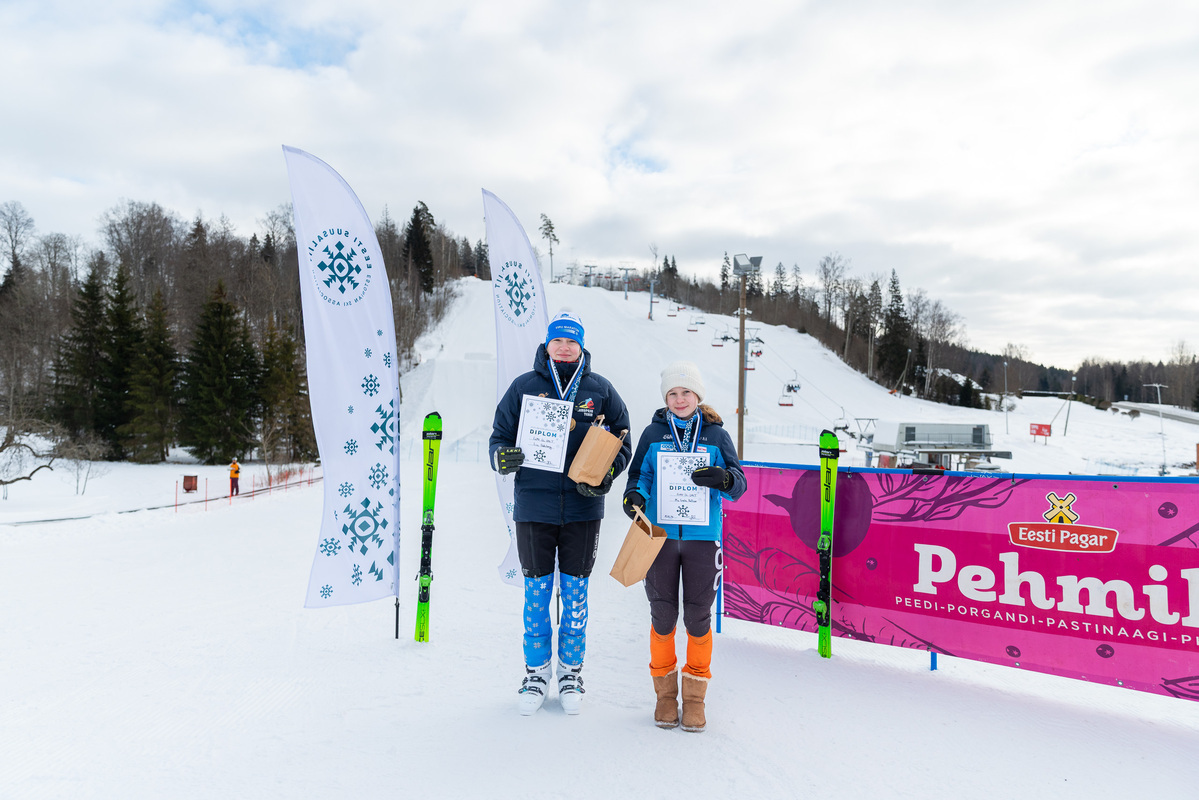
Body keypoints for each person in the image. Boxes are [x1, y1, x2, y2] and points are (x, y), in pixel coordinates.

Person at [489, 311, 631, 716]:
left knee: (575, 595)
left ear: (581, 346)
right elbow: (498, 437)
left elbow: (623, 441)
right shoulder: (525, 387)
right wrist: (502, 457)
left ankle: (570, 673)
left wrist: (608, 475)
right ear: (548, 345)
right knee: (536, 595)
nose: (565, 348)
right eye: (558, 341)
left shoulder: (600, 390)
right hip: (534, 507)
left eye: (572, 342)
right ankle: (536, 673)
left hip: (583, 509)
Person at [622, 361, 746, 732]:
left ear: (698, 395)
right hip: (658, 538)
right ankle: (664, 697)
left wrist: (724, 479)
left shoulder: (716, 435)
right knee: (662, 615)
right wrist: (634, 496)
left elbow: (739, 484)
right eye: (672, 393)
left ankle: (694, 699)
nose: (679, 399)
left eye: (686, 392)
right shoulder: (653, 433)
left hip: (703, 539)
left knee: (697, 616)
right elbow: (640, 475)